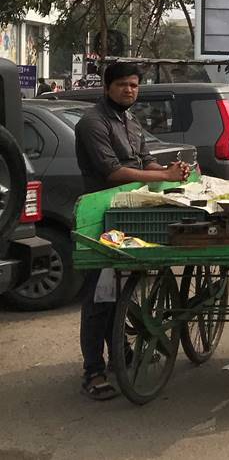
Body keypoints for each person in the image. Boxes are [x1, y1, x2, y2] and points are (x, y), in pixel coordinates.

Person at [74, 62, 190, 401]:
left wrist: (171, 170)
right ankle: (93, 372)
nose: (130, 90)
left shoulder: (131, 120)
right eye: (123, 84)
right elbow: (112, 172)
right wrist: (164, 177)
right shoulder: (92, 123)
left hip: (129, 214)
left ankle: (120, 353)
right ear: (108, 87)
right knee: (99, 296)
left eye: (135, 85)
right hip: (99, 219)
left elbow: (144, 163)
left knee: (119, 292)